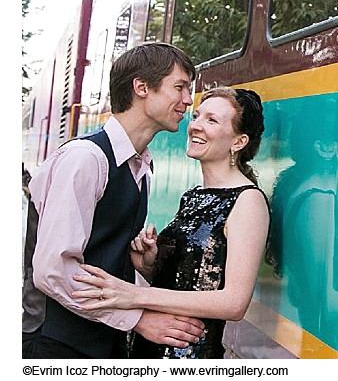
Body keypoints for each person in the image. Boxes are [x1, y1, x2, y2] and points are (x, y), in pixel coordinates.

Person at [24, 42, 206, 359]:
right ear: (141, 87)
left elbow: (102, 256)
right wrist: (138, 319)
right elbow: (52, 271)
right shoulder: (86, 159)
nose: (187, 101)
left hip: (99, 343)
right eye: (179, 87)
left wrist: (139, 265)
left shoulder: (139, 167)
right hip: (54, 344)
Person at [73, 86, 270, 359]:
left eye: (211, 120)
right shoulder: (193, 196)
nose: (196, 126)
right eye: (197, 116)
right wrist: (151, 266)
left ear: (239, 142)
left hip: (189, 356)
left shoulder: (248, 201)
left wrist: (133, 295)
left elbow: (233, 302)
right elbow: (193, 283)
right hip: (152, 345)